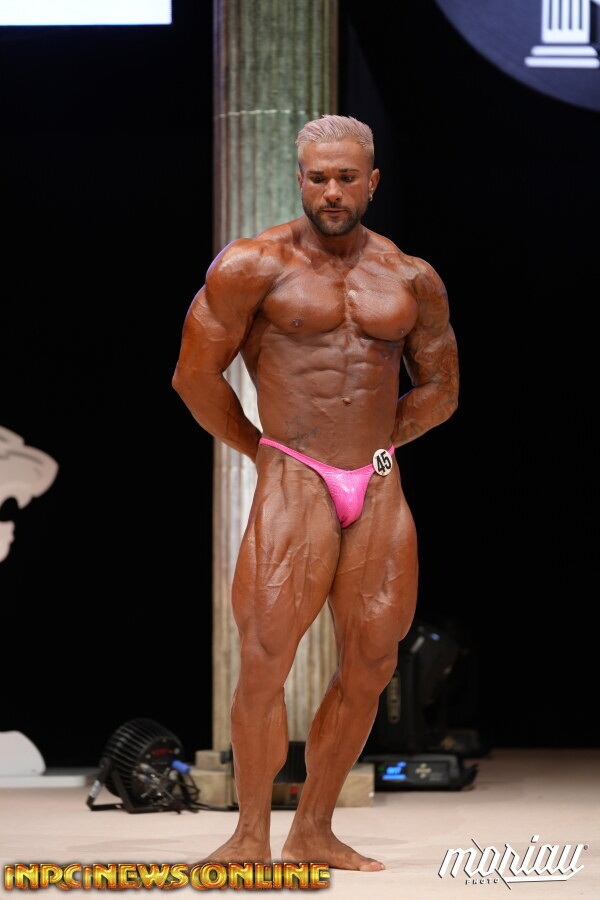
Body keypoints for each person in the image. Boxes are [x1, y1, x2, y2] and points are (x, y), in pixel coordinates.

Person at [172, 115, 459, 872]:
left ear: (372, 181)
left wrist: (383, 444)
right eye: (318, 177)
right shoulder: (252, 265)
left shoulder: (411, 277)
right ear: (300, 179)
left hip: (380, 480)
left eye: (346, 177)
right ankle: (248, 836)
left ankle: (314, 830)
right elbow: (194, 377)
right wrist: (264, 452)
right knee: (266, 659)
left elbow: (442, 388)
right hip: (293, 475)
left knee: (372, 662)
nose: (332, 191)